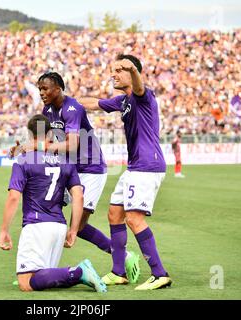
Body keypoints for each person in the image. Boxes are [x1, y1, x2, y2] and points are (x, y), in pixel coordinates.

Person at [10, 72, 141, 284]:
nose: (41, 92)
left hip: (90, 169)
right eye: (40, 89)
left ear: (59, 89)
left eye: (46, 89)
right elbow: (46, 140)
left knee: (78, 227)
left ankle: (124, 257)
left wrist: (36, 146)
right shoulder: (48, 110)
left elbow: (72, 145)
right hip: (68, 167)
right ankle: (35, 269)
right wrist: (25, 148)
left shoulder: (73, 108)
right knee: (45, 213)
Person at [79, 54, 172, 290]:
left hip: (146, 167)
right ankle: (118, 271)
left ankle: (160, 273)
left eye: (118, 70)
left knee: (134, 218)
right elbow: (94, 103)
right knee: (114, 214)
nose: (113, 74)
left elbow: (139, 85)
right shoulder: (123, 101)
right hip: (134, 167)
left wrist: (132, 69)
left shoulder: (144, 96)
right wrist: (65, 100)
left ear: (131, 73)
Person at [0, 114, 107, 293]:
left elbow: (13, 197)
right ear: (50, 134)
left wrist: (4, 230)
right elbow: (78, 196)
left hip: (36, 225)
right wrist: (73, 230)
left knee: (26, 282)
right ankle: (74, 274)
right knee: (42, 278)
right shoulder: (66, 162)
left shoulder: (24, 161)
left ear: (29, 135)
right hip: (59, 227)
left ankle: (79, 272)